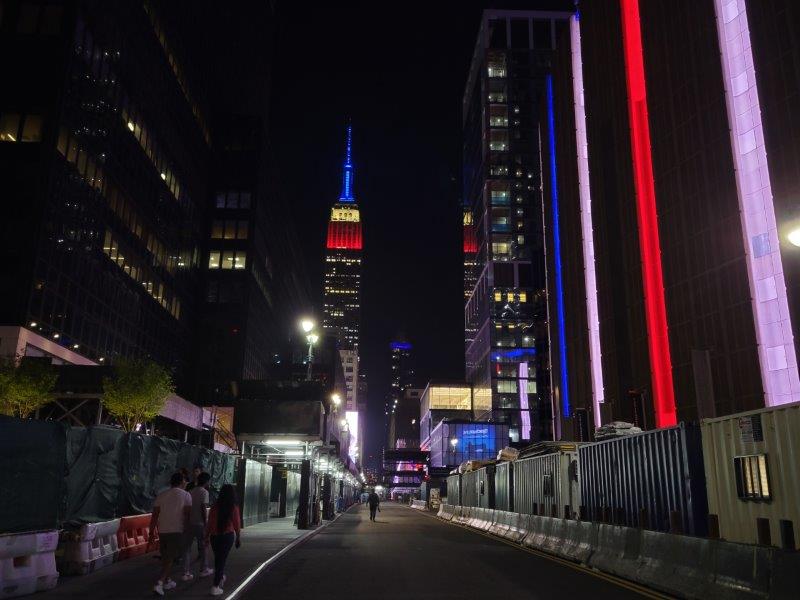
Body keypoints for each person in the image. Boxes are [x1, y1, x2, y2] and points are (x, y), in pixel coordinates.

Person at [150, 472, 192, 596]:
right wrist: (187, 530)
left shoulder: (162, 495)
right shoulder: (186, 495)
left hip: (162, 530)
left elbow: (155, 515)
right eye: (185, 480)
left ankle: (167, 581)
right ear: (182, 481)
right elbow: (187, 515)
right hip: (177, 530)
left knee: (165, 557)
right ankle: (159, 583)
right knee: (170, 558)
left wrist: (151, 532)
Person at [205, 484, 241, 596]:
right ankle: (215, 586)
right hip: (227, 536)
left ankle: (220, 578)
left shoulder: (215, 507)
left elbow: (210, 523)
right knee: (221, 560)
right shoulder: (233, 507)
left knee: (218, 559)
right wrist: (238, 538)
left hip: (214, 537)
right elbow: (237, 524)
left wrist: (206, 537)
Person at [181, 472, 213, 581]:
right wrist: (206, 523)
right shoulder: (204, 492)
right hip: (200, 524)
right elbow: (203, 508)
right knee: (204, 546)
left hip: (190, 523)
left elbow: (187, 509)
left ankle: (186, 572)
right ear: (206, 481)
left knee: (187, 548)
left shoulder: (190, 492)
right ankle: (204, 569)